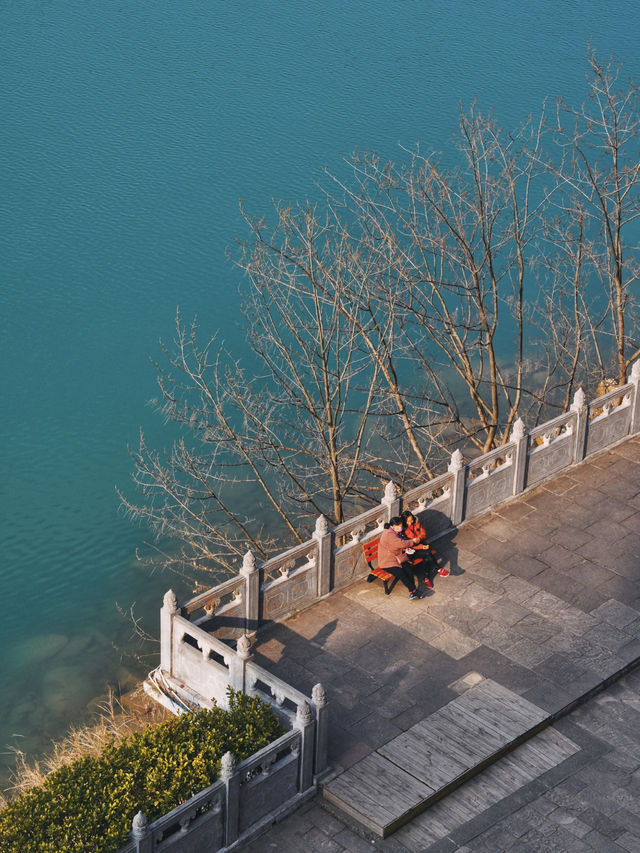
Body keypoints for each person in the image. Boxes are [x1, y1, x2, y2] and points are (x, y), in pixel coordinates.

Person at [377, 517, 423, 600]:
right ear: (394, 526)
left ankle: (412, 591)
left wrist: (405, 548)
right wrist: (413, 542)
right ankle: (413, 590)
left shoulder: (394, 531)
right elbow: (400, 543)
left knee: (408, 569)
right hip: (387, 562)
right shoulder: (389, 534)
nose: (401, 528)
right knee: (401, 573)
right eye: (400, 526)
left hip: (397, 558)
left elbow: (398, 544)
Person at [401, 509, 450, 580]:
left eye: (411, 520)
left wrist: (419, 539)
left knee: (427, 557)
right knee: (427, 553)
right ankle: (438, 569)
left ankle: (427, 578)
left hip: (420, 545)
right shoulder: (402, 530)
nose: (410, 522)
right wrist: (421, 546)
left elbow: (423, 533)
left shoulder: (416, 523)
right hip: (411, 551)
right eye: (408, 521)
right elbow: (408, 544)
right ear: (404, 521)